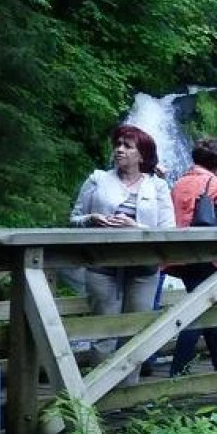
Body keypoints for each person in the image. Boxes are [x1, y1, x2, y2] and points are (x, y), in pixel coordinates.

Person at [69, 125, 173, 378]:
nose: (119, 149)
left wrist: (135, 226)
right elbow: (74, 219)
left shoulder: (157, 186)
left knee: (135, 333)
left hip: (144, 268)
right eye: (117, 144)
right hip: (101, 265)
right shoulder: (97, 179)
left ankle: (127, 396)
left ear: (142, 155)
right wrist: (92, 218)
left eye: (127, 146)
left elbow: (169, 229)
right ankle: (98, 397)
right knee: (103, 333)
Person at [168, 138, 217, 376]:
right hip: (207, 254)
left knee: (204, 304)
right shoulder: (216, 183)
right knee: (198, 309)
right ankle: (177, 371)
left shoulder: (178, 183)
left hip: (179, 253)